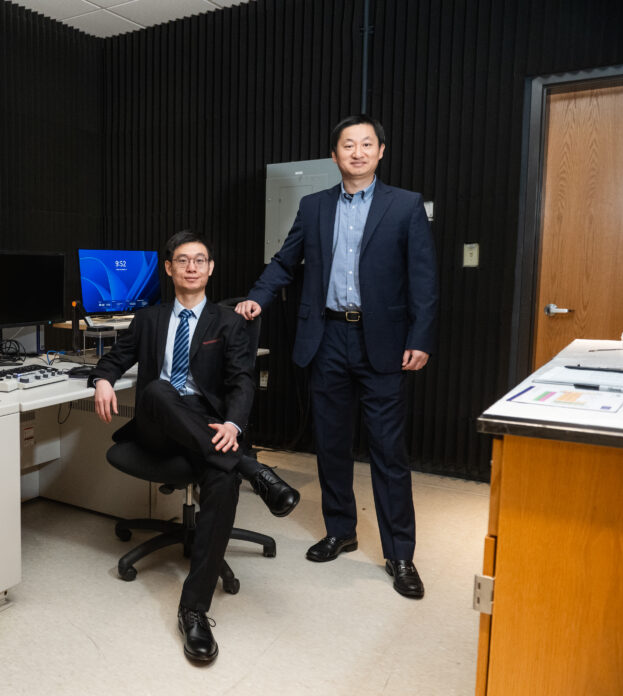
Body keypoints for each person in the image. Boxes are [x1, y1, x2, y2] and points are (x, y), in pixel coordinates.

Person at [235, 115, 438, 599]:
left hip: (383, 342)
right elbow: (285, 261)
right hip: (327, 338)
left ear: (381, 151)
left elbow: (424, 279)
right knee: (330, 445)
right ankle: (341, 530)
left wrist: (421, 337)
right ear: (335, 155)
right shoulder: (314, 206)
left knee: (388, 451)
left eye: (367, 144)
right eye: (348, 145)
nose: (358, 152)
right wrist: (257, 298)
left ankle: (400, 554)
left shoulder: (405, 205)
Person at [89, 230, 299, 664]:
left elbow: (241, 382)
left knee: (221, 480)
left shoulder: (228, 322)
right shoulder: (148, 318)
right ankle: (251, 468)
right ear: (169, 268)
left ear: (210, 268)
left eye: (199, 260)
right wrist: (104, 380)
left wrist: (233, 425)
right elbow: (114, 360)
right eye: (182, 260)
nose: (191, 267)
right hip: (158, 424)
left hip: (209, 426)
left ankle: (194, 611)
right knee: (158, 390)